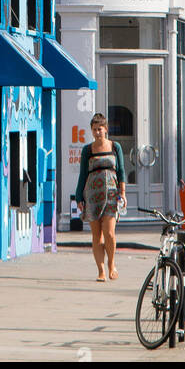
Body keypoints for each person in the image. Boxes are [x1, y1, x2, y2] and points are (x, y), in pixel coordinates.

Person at [75, 114, 126, 281]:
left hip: (111, 194)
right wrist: (78, 197)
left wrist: (122, 193)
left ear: (106, 129)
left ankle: (111, 264)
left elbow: (121, 172)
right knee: (97, 235)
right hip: (92, 196)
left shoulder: (114, 146)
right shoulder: (87, 150)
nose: (97, 132)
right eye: (94, 129)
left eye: (100, 129)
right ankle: (101, 270)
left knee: (109, 233)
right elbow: (83, 174)